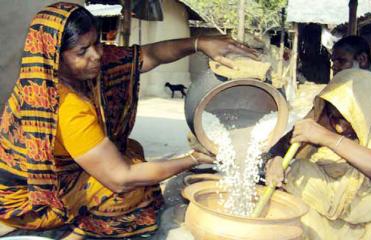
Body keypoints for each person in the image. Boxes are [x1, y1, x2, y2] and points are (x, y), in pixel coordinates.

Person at [0, 2, 258, 239]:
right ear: (54, 55)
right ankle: (78, 232)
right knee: (131, 189)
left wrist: (200, 43)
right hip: (30, 198)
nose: (97, 55)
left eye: (97, 44)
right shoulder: (66, 106)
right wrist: (192, 159)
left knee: (131, 149)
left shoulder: (62, 72)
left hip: (61, 170)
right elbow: (121, 177)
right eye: (82, 51)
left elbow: (151, 55)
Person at [265, 69, 371, 240]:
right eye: (334, 118)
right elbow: (283, 146)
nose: (340, 128)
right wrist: (276, 161)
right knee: (294, 177)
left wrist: (326, 137)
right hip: (329, 211)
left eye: (347, 120)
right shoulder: (325, 113)